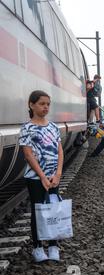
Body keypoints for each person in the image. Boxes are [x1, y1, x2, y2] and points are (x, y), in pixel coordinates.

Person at [19, 91, 64, 263]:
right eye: (41, 104)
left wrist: (58, 173)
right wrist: (43, 177)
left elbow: (59, 150)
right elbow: (28, 155)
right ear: (31, 105)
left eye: (48, 104)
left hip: (53, 177)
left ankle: (53, 245)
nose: (45, 107)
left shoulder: (53, 127)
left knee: (53, 209)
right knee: (38, 212)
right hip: (35, 178)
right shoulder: (27, 128)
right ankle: (37, 247)